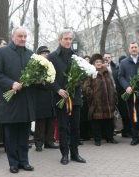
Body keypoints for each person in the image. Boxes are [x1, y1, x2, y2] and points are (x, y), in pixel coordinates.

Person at [0, 26, 35, 173]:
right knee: (10, 135)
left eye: (25, 36)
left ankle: (24, 161)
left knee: (24, 133)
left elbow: (34, 74)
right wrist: (11, 83)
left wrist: (36, 79)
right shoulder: (1, 52)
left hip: (25, 100)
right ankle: (13, 163)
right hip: (10, 100)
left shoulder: (31, 54)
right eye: (20, 36)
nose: (23, 39)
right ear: (13, 36)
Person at [47, 29, 86, 165]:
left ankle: (75, 153)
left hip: (75, 97)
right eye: (66, 39)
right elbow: (49, 78)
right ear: (60, 40)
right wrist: (58, 89)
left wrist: (79, 80)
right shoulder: (52, 57)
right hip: (60, 98)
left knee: (75, 127)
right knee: (63, 127)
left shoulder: (77, 56)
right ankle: (65, 154)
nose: (69, 41)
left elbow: (82, 76)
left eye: (70, 39)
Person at [118, 42, 139, 146]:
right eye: (132, 47)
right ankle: (135, 137)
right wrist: (127, 86)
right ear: (129, 49)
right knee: (133, 117)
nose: (134, 49)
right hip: (131, 94)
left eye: (135, 47)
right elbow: (120, 76)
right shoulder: (124, 62)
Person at [83, 53, 118, 146]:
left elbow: (112, 85)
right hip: (96, 102)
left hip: (109, 102)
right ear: (93, 64)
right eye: (96, 62)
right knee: (96, 122)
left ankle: (110, 138)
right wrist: (91, 94)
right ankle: (97, 139)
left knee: (109, 121)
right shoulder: (90, 73)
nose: (99, 63)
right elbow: (86, 86)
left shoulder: (107, 72)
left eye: (100, 61)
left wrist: (114, 95)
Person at [33, 46, 59, 152]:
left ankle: (49, 141)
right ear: (39, 55)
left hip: (51, 97)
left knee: (51, 120)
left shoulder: (51, 65)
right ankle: (39, 143)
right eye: (44, 53)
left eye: (47, 52)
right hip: (40, 98)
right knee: (41, 121)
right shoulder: (35, 66)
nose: (46, 54)